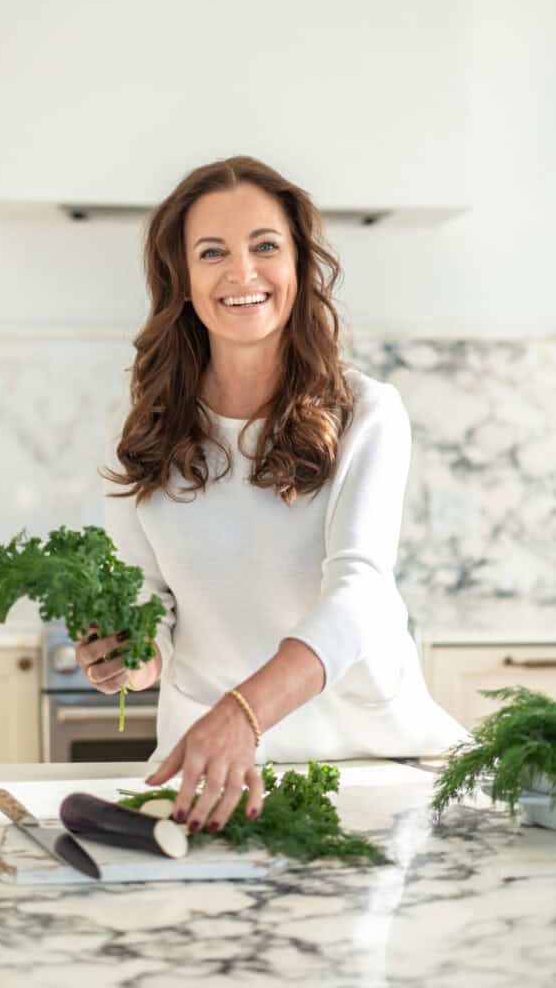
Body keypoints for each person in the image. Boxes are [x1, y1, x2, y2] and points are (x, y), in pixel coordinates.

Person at [74, 155, 472, 836]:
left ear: (298, 265)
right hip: (214, 780)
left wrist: (242, 711)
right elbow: (150, 607)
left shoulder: (367, 413)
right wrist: (127, 658)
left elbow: (359, 594)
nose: (242, 273)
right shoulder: (144, 432)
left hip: (369, 766)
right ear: (182, 279)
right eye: (212, 252)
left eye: (264, 246)